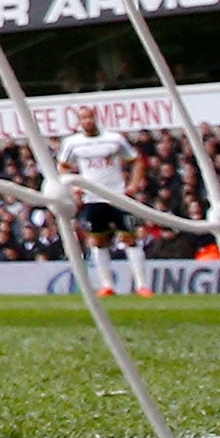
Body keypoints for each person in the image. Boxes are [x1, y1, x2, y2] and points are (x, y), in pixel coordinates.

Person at [53, 106, 150, 296]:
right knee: (98, 240)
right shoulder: (73, 143)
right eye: (83, 118)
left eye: (90, 117)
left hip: (118, 195)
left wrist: (134, 185)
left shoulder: (114, 139)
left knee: (129, 237)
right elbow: (62, 167)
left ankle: (142, 286)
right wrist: (74, 186)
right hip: (92, 198)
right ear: (79, 121)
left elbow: (137, 160)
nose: (87, 121)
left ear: (96, 118)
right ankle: (107, 286)